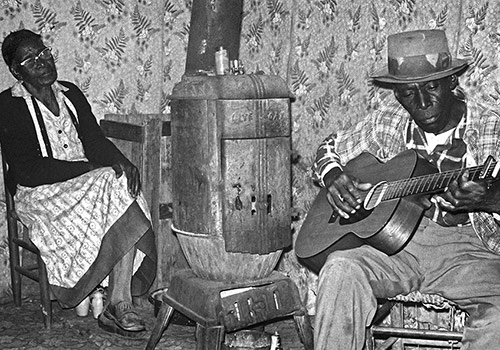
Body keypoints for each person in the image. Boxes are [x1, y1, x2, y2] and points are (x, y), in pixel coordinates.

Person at [308, 29, 500, 349]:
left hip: (468, 252)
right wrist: (333, 176)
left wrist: (492, 197)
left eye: (431, 86)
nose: (422, 102)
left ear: (452, 81)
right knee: (340, 269)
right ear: (397, 94)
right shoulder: (389, 119)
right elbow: (330, 148)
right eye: (409, 92)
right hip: (396, 245)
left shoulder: (491, 127)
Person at [0, 29, 157, 337]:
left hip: (86, 182)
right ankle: (118, 302)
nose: (43, 62)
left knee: (120, 180)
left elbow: (95, 140)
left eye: (44, 53)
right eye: (30, 59)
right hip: (39, 192)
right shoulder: (8, 105)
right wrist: (90, 169)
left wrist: (122, 162)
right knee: (107, 182)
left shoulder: (69, 93)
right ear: (16, 71)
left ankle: (119, 299)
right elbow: (26, 170)